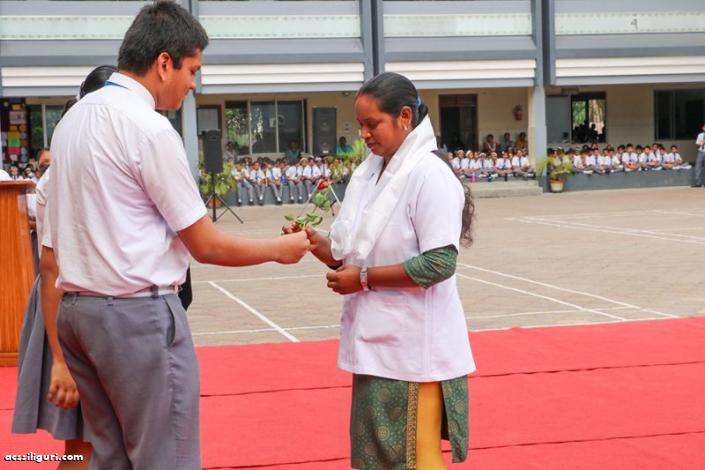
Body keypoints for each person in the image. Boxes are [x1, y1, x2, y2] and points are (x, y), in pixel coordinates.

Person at [45, 4, 310, 469]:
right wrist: (278, 250)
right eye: (192, 70)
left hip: (80, 313)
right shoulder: (148, 129)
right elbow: (205, 244)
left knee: (110, 457)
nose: (193, 85)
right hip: (136, 317)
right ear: (164, 62)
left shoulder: (71, 121)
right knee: (167, 457)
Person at [287, 72, 475, 470]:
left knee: (415, 456)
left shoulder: (429, 175)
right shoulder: (371, 174)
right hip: (376, 343)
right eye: (360, 125)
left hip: (415, 350)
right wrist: (315, 243)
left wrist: (363, 279)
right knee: (377, 458)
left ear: (404, 116)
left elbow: (440, 262)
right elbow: (354, 254)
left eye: (372, 124)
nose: (364, 134)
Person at [12, 64, 118, 470]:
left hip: (84, 307)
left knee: (98, 441)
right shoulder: (63, 176)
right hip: (68, 307)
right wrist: (60, 359)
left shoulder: (94, 168)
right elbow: (52, 265)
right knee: (85, 443)